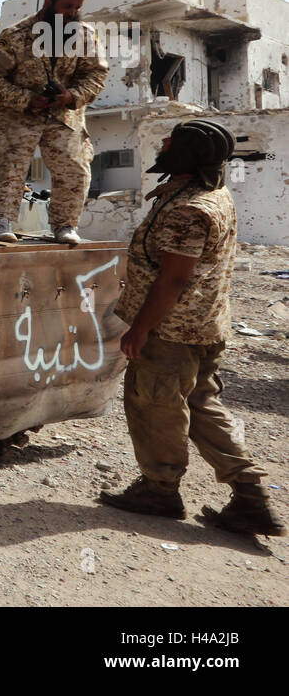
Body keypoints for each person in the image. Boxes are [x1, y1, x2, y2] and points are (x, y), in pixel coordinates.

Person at [100, 119, 284, 535]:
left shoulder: (189, 209)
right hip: (203, 328)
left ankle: (159, 490)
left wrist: (140, 329)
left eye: (171, 142)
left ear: (187, 154)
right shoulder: (207, 194)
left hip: (171, 333)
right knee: (200, 406)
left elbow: (174, 279)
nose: (162, 145)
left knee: (156, 406)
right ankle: (251, 495)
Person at [0, 0, 107, 244]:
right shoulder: (15, 35)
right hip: (19, 114)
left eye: (77, 7)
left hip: (64, 116)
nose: (72, 12)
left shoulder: (84, 35)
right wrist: (26, 98)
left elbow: (95, 74)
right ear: (49, 3)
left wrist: (71, 95)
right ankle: (2, 221)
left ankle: (65, 225)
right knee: (11, 166)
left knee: (75, 170)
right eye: (67, 6)